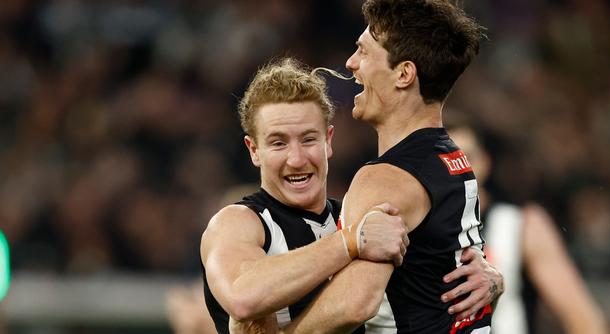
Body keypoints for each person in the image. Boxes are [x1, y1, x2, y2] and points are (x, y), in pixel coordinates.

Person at [200, 57, 503, 334]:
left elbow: (434, 296)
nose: (296, 159)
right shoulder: (237, 223)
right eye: (278, 143)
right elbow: (243, 297)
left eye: (308, 140)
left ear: (328, 141)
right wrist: (350, 242)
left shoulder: (360, 216)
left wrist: (490, 283)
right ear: (254, 150)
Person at [273, 0, 497, 333]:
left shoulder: (384, 179)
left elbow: (355, 303)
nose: (351, 64)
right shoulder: (452, 159)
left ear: (404, 74)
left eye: (363, 51)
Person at [446, 120, 608, 334]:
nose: (459, 170)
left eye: (467, 158)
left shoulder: (520, 224)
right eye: (448, 161)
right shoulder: (411, 227)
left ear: (485, 162)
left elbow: (584, 320)